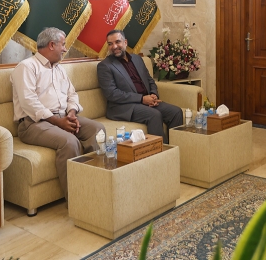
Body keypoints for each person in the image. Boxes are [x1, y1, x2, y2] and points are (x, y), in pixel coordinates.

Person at [11, 27, 104, 201]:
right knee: (70, 142)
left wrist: (71, 113)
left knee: (97, 130)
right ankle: (77, 199)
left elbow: (72, 94)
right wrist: (58, 122)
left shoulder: (59, 69)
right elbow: (29, 102)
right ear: (52, 45)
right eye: (63, 44)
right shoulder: (26, 67)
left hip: (62, 116)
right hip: (33, 124)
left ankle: (96, 185)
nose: (65, 49)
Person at [97, 29, 183, 143]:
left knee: (176, 112)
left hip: (145, 101)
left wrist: (153, 94)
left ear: (125, 42)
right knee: (154, 115)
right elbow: (112, 94)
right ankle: (162, 151)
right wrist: (142, 99)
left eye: (117, 42)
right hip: (123, 107)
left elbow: (149, 80)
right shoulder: (105, 66)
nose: (114, 46)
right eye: (110, 44)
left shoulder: (137, 59)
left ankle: (176, 148)